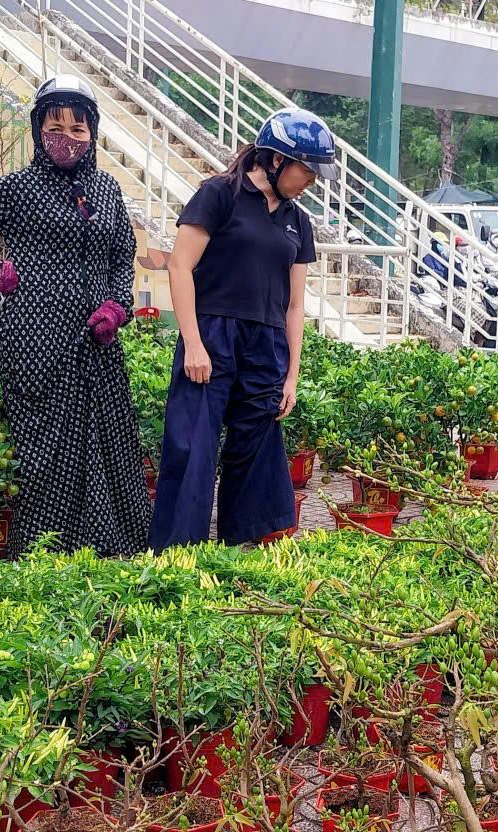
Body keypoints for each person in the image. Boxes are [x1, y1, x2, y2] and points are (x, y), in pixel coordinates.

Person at [0, 75, 151, 558]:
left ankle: (109, 545)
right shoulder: (19, 188)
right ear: (38, 129)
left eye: (78, 128)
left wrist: (116, 306)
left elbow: (122, 255)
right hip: (35, 338)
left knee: (108, 440)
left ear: (92, 133)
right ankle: (47, 551)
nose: (66, 138)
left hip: (97, 341)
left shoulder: (107, 189)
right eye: (56, 126)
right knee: (50, 450)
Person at [148, 108, 336, 550]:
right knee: (192, 446)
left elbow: (294, 305)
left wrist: (291, 374)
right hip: (212, 334)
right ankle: (177, 556)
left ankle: (243, 550)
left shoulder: (298, 221)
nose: (312, 181)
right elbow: (179, 267)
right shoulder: (219, 194)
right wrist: (192, 343)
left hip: (266, 343)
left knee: (256, 447)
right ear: (275, 160)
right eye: (307, 170)